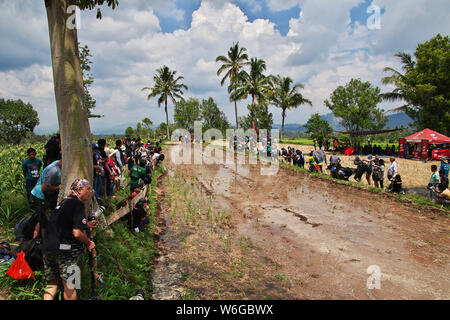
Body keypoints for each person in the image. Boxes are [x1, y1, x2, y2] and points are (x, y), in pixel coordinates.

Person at [41, 179, 97, 300]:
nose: (90, 192)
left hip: (48, 248)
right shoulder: (78, 204)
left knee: (51, 283)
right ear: (79, 190)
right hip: (65, 251)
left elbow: (64, 225)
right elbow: (77, 233)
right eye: (88, 189)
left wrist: (85, 225)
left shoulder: (64, 202)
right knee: (70, 285)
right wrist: (89, 242)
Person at [30, 159, 62, 237]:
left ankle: (41, 240)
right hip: (39, 196)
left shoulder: (60, 167)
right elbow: (44, 187)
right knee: (43, 220)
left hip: (46, 197)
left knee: (43, 220)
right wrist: (59, 187)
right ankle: (39, 241)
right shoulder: (54, 170)